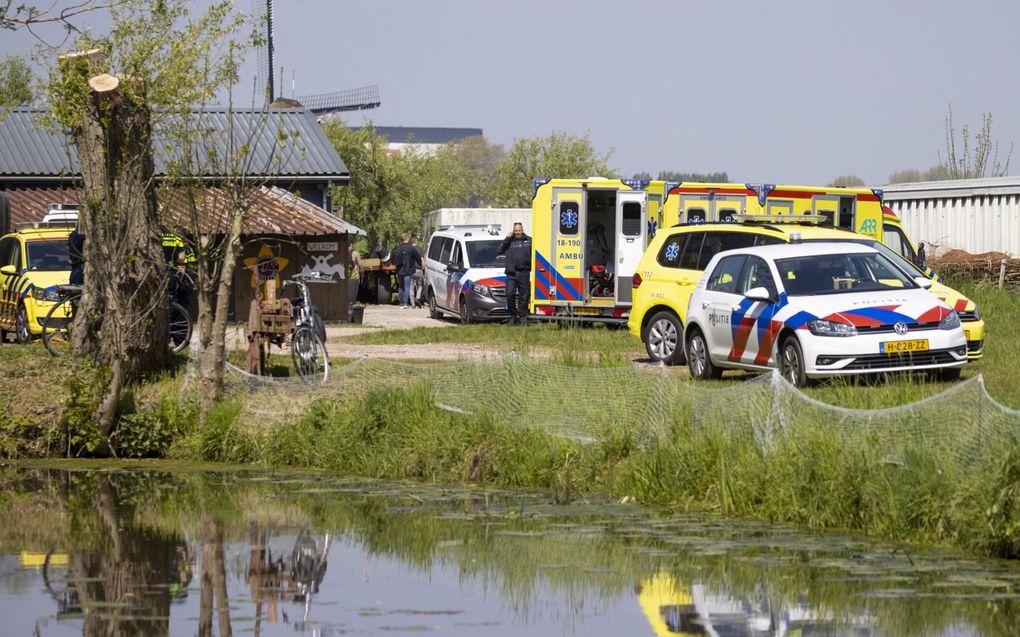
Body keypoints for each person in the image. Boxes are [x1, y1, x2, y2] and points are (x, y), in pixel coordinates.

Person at [497, 222, 532, 325]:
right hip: (511, 273)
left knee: (524, 296)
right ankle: (512, 315)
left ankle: (522, 317)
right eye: (516, 231)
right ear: (513, 231)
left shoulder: (529, 240)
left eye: (519, 230)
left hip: (524, 272)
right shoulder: (509, 241)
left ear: (522, 230)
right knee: (509, 294)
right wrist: (506, 239)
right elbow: (498, 250)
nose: (517, 232)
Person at [391, 233, 421, 308]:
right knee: (407, 286)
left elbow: (392, 257)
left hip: (399, 270)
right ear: (407, 239)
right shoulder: (411, 248)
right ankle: (405, 303)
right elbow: (418, 258)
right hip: (408, 270)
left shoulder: (397, 248)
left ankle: (401, 303)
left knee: (401, 286)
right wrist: (420, 264)